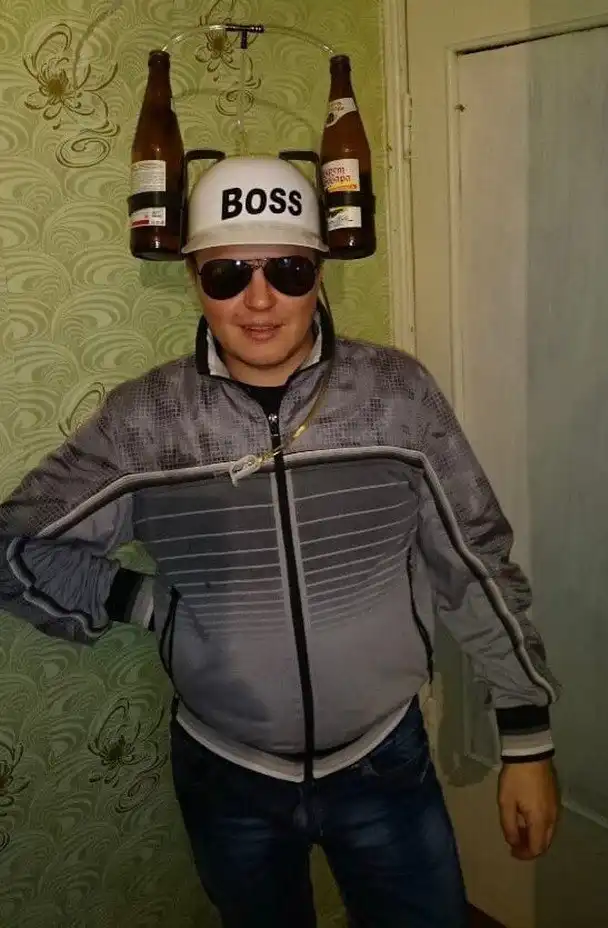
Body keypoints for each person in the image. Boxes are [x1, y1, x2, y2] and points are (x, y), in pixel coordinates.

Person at [0, 155, 560, 928]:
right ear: (194, 278)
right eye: (228, 273)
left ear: (319, 274)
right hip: (226, 778)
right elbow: (16, 546)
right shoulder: (146, 421)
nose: (259, 300)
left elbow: (475, 561)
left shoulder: (397, 395)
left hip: (385, 764)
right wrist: (147, 603)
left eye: (288, 270)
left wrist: (526, 739)